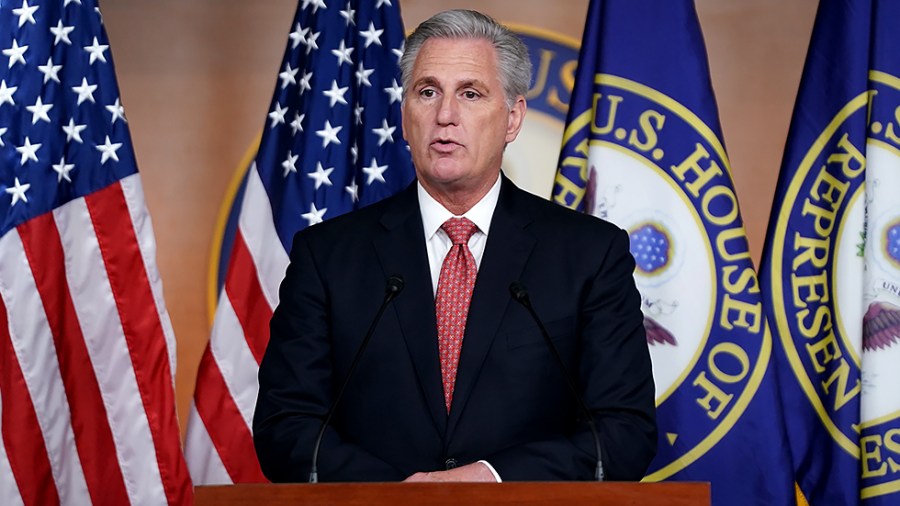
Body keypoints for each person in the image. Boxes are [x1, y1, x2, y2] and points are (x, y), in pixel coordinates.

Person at [253, 9, 656, 483]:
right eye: (427, 93)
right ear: (404, 117)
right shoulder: (327, 256)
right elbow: (286, 426)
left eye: (470, 93)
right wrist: (402, 496)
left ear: (512, 118)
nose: (445, 115)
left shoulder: (590, 255)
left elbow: (623, 431)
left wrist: (492, 478)